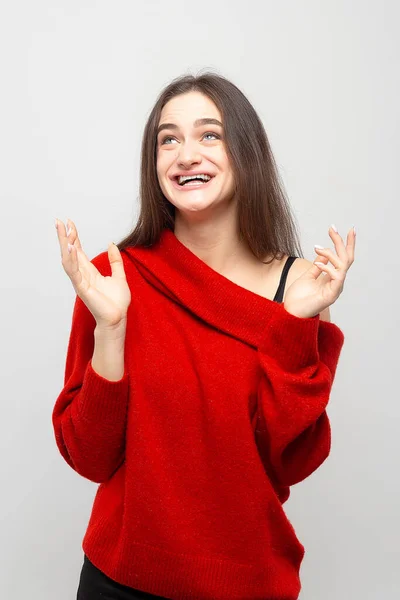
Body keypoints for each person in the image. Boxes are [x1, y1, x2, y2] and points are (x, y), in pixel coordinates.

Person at [52, 72, 356, 600]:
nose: (186, 154)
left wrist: (295, 326)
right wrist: (112, 329)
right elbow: (89, 457)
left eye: (208, 135)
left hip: (247, 586)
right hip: (118, 583)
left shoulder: (301, 289)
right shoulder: (113, 278)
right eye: (168, 139)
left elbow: (292, 461)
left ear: (246, 152)